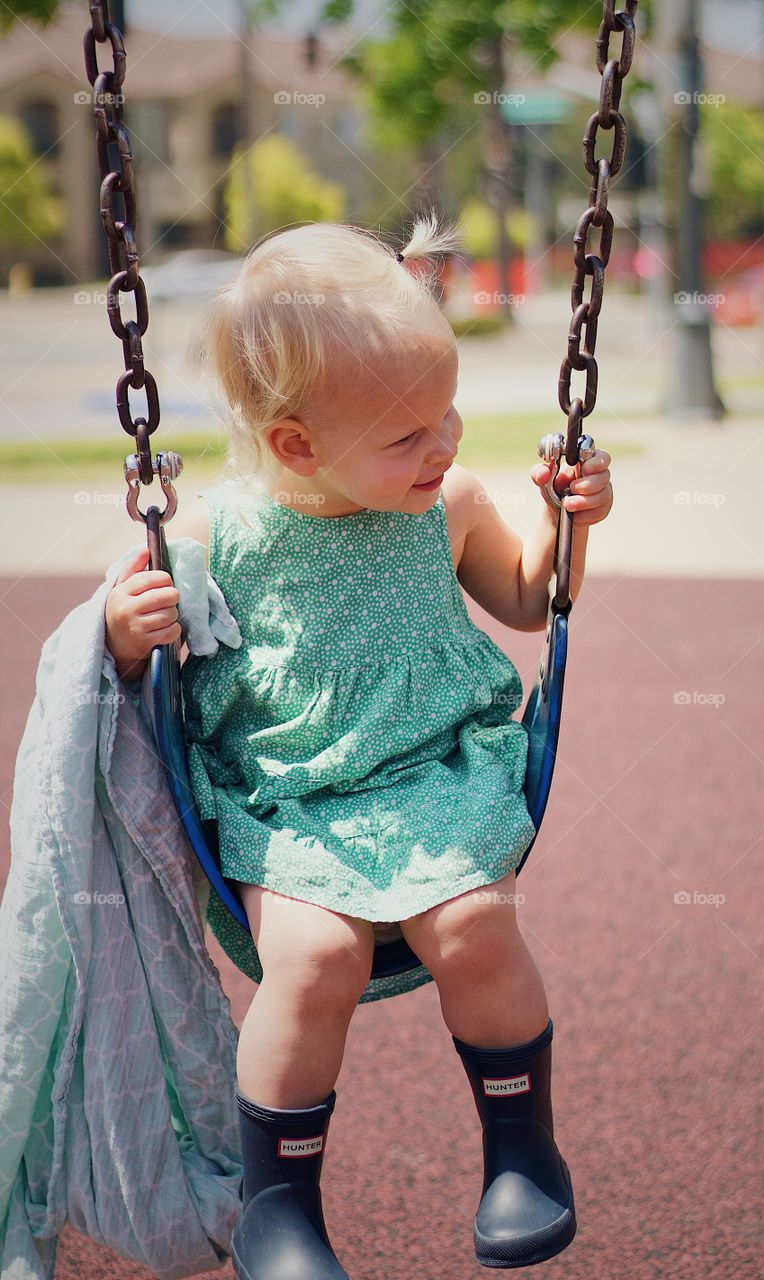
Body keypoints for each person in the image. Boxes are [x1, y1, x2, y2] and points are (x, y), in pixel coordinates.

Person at [104, 214, 613, 1279]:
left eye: (449, 413)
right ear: (296, 443)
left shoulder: (452, 505)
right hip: (290, 800)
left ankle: (524, 1151)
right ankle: (279, 1208)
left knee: (477, 922)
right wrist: (129, 626)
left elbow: (531, 601)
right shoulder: (214, 536)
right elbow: (128, 657)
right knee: (313, 957)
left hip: (438, 775)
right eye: (407, 433)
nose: (445, 445)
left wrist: (572, 522)